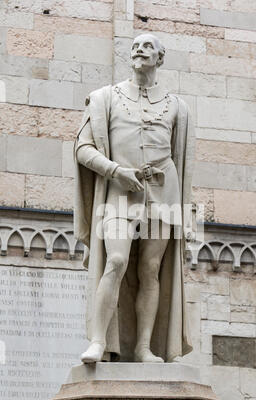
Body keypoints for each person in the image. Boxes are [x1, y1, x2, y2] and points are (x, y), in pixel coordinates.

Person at [74, 33, 195, 363]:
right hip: (120, 194)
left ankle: (144, 347)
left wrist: (189, 219)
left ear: (160, 58)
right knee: (115, 261)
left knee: (152, 269)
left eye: (148, 47)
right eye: (135, 46)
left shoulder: (177, 107)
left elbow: (185, 165)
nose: (140, 50)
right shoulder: (105, 98)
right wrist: (116, 172)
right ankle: (98, 341)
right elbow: (82, 149)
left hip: (164, 197)